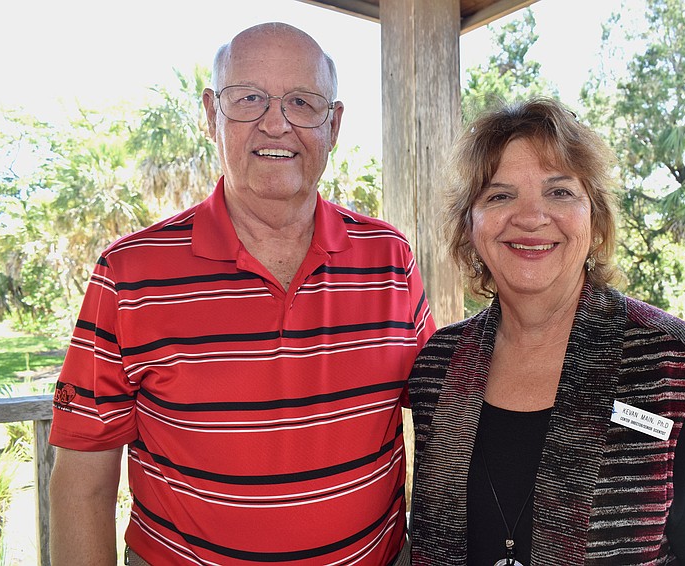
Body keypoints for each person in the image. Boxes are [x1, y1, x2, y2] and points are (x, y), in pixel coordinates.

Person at [49, 22, 434, 566]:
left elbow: (451, 410)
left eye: (303, 102)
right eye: (249, 99)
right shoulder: (129, 273)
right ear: (211, 115)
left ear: (335, 123)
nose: (275, 123)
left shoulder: (390, 259)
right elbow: (82, 481)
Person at [407, 97, 685, 565]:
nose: (531, 217)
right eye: (499, 195)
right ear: (469, 226)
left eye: (560, 192)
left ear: (594, 221)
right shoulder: (439, 365)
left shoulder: (673, 365)